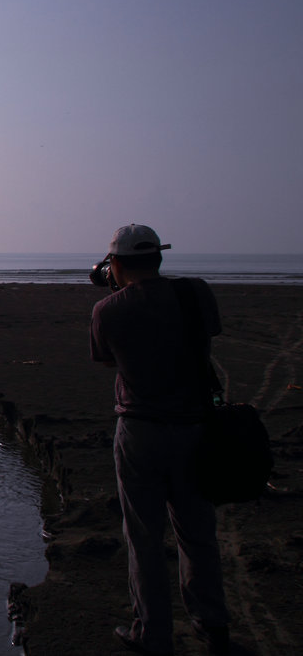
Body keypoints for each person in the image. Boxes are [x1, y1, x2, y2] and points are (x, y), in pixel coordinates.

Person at [90, 224, 229, 656]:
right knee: (198, 532)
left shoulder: (108, 310)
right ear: (159, 258)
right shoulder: (197, 293)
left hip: (140, 430)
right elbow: (210, 333)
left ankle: (152, 633)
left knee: (144, 538)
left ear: (115, 264)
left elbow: (104, 357)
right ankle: (212, 623)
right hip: (195, 427)